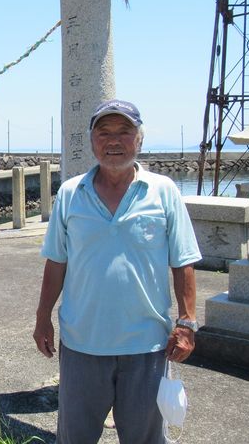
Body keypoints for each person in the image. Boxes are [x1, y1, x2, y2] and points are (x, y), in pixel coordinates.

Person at [33, 99, 201, 444]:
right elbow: (56, 261)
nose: (114, 141)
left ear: (139, 139)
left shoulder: (164, 191)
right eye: (104, 132)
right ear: (92, 140)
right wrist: (42, 316)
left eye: (124, 131)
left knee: (145, 439)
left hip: (147, 344)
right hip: (82, 343)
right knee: (75, 438)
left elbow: (183, 261)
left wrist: (186, 322)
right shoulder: (70, 193)